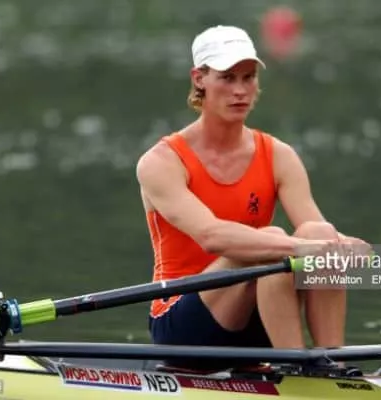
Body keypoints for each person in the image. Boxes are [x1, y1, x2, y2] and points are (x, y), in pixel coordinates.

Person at [136, 25, 369, 367]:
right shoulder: (161, 162)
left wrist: (343, 245)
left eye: (248, 78)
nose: (240, 91)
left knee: (319, 233)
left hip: (259, 313)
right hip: (182, 328)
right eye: (227, 78)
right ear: (199, 79)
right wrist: (299, 248)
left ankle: (333, 366)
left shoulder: (279, 155)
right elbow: (212, 236)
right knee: (273, 244)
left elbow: (315, 234)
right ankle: (297, 367)